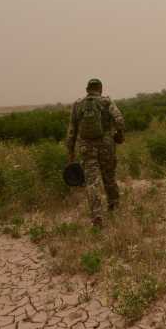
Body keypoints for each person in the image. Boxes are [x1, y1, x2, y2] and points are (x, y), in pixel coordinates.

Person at [66, 78, 125, 227]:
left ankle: (97, 215)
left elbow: (71, 131)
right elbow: (119, 120)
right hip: (106, 145)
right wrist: (119, 135)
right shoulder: (106, 102)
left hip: (86, 147)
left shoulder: (78, 105)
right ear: (101, 88)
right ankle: (113, 206)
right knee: (109, 176)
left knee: (91, 182)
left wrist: (71, 153)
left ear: (87, 90)